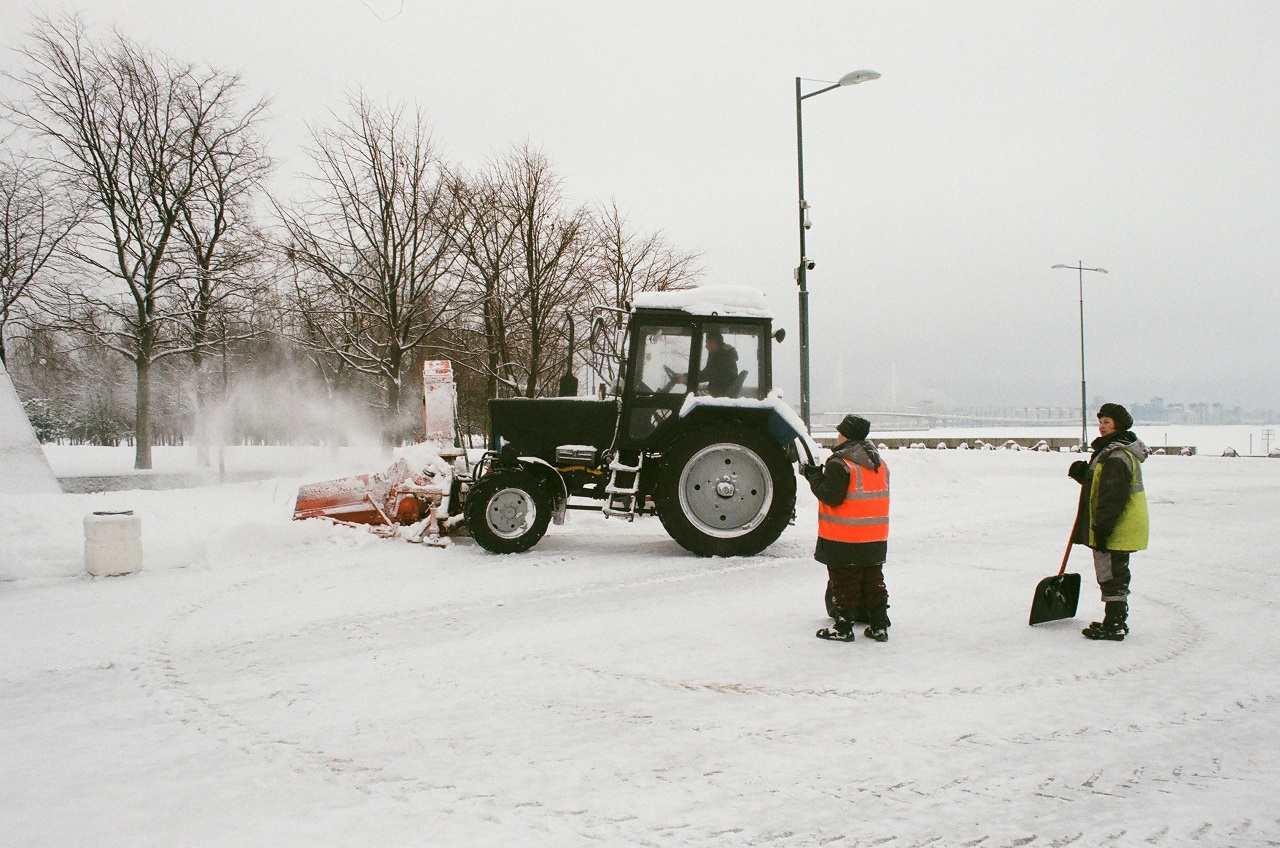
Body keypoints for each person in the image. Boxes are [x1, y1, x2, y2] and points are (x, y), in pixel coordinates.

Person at [803, 414, 892, 642]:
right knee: (873, 579)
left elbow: (830, 497)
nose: (838, 435)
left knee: (844, 581)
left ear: (847, 435)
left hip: (845, 536)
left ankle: (843, 628)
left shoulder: (841, 463)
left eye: (840, 432)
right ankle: (879, 625)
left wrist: (813, 477)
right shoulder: (878, 463)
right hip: (874, 536)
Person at [1068, 403, 1150, 641]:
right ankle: (1114, 620)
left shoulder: (1116, 455)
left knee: (1112, 573)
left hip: (1116, 525)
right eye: (1101, 422)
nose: (1102, 427)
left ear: (1119, 425)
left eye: (1107, 423)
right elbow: (1102, 486)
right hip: (1118, 523)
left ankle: (1114, 623)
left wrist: (1103, 527)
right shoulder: (1112, 451)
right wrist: (1083, 475)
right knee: (1114, 571)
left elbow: (1113, 496)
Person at [700, 330, 740, 397]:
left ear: (714, 343)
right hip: (720, 393)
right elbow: (713, 376)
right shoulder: (725, 355)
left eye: (708, 342)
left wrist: (687, 378)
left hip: (719, 396)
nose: (706, 346)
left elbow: (707, 374)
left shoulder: (722, 358)